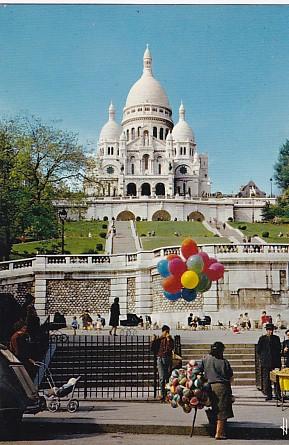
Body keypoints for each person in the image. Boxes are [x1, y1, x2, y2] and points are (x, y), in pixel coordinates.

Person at [200, 342, 234, 440]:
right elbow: (230, 375)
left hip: (208, 387)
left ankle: (217, 429)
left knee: (214, 408)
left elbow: (197, 370)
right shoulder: (224, 362)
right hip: (221, 387)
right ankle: (219, 433)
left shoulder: (205, 359)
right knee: (222, 411)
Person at [256, 323, 281, 400]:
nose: (270, 331)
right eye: (269, 330)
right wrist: (263, 357)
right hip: (266, 362)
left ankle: (277, 394)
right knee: (267, 379)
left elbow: (279, 348)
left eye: (271, 330)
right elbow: (258, 350)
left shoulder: (276, 338)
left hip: (275, 362)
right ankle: (269, 394)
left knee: (276, 379)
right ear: (266, 330)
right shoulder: (262, 339)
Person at [151, 325, 174, 402]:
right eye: (166, 332)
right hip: (160, 358)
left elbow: (170, 349)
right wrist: (153, 340)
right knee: (161, 378)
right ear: (163, 332)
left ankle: (167, 395)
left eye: (168, 332)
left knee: (167, 377)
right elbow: (152, 348)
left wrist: (168, 340)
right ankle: (162, 394)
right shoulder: (159, 339)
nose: (167, 333)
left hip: (167, 358)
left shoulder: (170, 340)